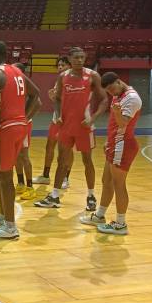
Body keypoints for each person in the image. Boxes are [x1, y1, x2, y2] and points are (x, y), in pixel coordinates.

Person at [35, 47, 107, 210]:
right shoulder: (63, 77)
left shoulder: (92, 76)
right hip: (66, 126)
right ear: (70, 58)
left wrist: (93, 118)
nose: (79, 60)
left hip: (84, 126)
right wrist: (59, 115)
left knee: (87, 161)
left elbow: (104, 100)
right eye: (76, 58)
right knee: (62, 161)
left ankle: (90, 195)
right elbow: (58, 99)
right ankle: (54, 196)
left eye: (82, 57)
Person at [0, 41, 41, 239]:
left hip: (4, 130)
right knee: (1, 175)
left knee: (5, 178)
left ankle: (10, 226)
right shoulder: (16, 72)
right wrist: (25, 117)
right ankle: (2, 217)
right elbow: (37, 96)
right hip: (19, 128)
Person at [80, 72, 142, 235]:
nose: (111, 93)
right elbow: (114, 124)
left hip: (124, 145)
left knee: (119, 184)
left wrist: (115, 112)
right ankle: (100, 215)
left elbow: (123, 122)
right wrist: (109, 141)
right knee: (106, 180)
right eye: (108, 91)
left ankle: (121, 223)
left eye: (112, 89)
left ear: (119, 81)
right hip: (115, 143)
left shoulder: (132, 98)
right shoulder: (118, 94)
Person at [32, 57, 73, 188]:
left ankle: (66, 178)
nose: (60, 67)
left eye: (63, 65)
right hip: (57, 119)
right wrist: (53, 98)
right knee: (49, 146)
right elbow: (58, 101)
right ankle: (45, 175)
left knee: (67, 150)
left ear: (69, 66)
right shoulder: (59, 81)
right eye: (59, 65)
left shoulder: (74, 81)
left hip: (69, 121)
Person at [12, 62, 35, 201]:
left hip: (23, 124)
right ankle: (20, 183)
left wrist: (26, 118)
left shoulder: (26, 84)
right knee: (16, 156)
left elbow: (38, 103)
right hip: (14, 124)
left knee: (24, 155)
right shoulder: (13, 84)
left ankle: (30, 187)